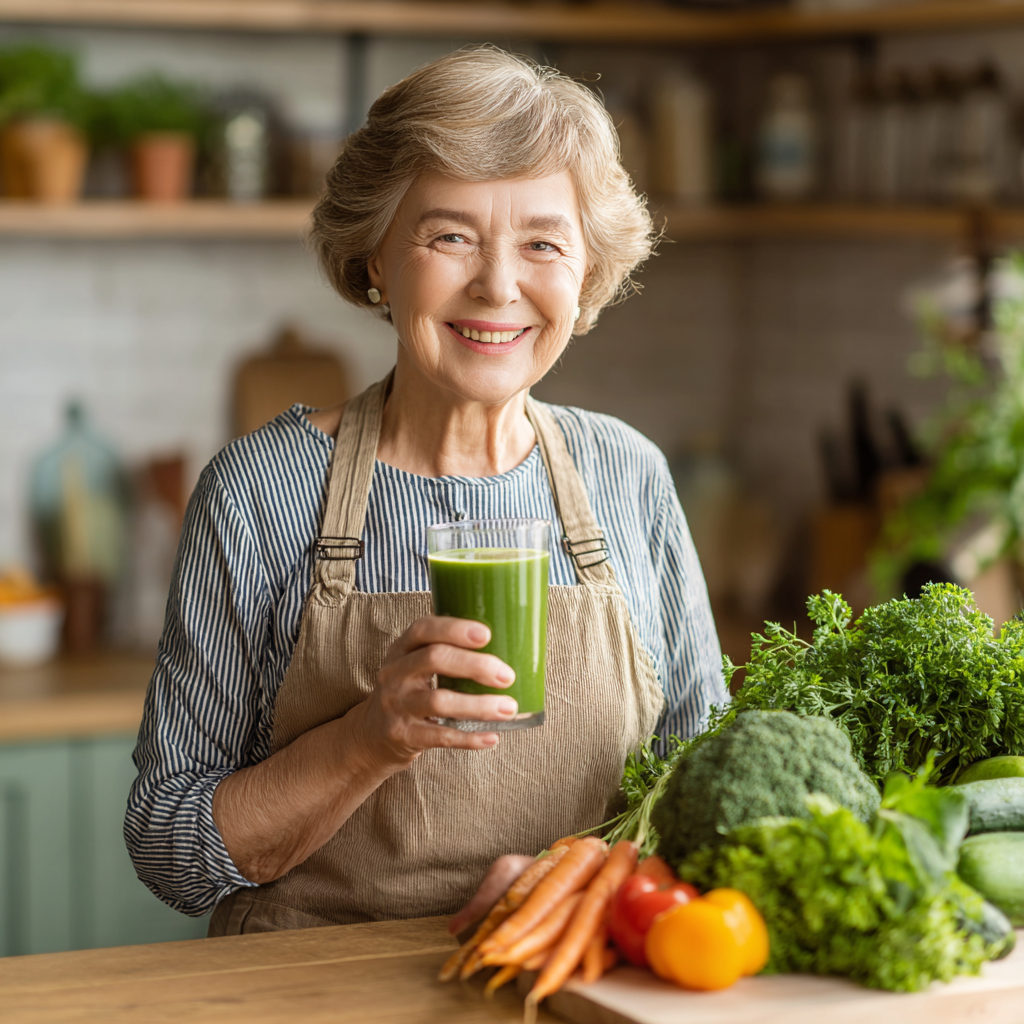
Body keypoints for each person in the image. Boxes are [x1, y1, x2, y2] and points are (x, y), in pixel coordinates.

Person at [126, 46, 726, 936]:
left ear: (585, 274)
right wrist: (372, 737)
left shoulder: (626, 477)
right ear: (375, 257)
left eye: (542, 244)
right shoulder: (265, 490)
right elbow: (170, 849)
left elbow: (705, 792)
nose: (498, 285)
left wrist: (576, 880)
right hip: (314, 995)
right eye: (450, 236)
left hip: (562, 981)